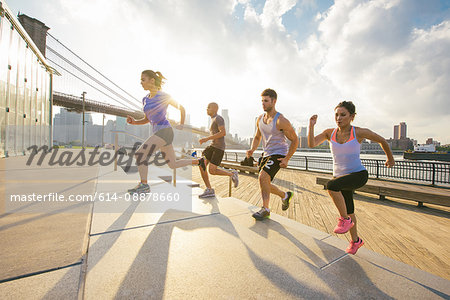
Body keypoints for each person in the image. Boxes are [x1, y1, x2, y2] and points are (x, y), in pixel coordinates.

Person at [308, 101, 395, 254]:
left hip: (358, 175)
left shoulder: (359, 132)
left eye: (343, 115)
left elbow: (382, 140)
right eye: (336, 115)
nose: (339, 118)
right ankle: (355, 241)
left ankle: (344, 220)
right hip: (341, 178)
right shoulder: (330, 133)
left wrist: (390, 158)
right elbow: (311, 144)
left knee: (331, 186)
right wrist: (311, 126)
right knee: (349, 211)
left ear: (352, 117)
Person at [126, 70, 201, 194]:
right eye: (140, 80)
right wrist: (134, 122)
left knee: (141, 154)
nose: (141, 83)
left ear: (152, 80)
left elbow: (181, 108)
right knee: (172, 164)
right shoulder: (145, 99)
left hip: (165, 131)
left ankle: (144, 185)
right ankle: (199, 161)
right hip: (159, 132)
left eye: (143, 80)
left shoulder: (163, 96)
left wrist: (181, 123)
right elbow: (146, 119)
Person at [247, 89, 298, 220]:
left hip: (278, 153)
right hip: (266, 154)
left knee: (262, 178)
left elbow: (295, 140)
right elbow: (257, 137)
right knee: (265, 182)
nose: (263, 104)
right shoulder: (260, 119)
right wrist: (252, 149)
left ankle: (266, 209)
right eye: (262, 101)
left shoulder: (281, 120)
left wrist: (287, 158)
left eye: (266, 101)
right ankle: (285, 195)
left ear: (274, 101)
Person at [198, 102, 239, 198]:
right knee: (201, 164)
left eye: (208, 108)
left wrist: (206, 138)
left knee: (212, 170)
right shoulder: (212, 119)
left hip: (219, 148)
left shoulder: (218, 118)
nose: (206, 109)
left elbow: (223, 132)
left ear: (214, 109)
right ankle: (209, 189)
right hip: (212, 146)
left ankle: (232, 174)